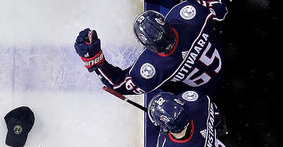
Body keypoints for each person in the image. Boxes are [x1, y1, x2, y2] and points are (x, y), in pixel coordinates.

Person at [74, 2, 228, 98]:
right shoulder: (190, 14)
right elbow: (220, 9)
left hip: (206, 94)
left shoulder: (153, 68)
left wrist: (95, 61)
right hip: (227, 57)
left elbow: (118, 84)